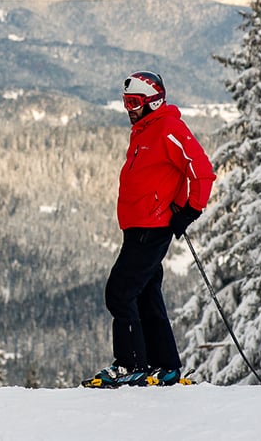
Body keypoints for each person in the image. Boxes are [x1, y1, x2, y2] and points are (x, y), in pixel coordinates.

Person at [83, 71, 216, 388]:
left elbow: (201, 170)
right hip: (139, 227)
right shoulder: (145, 130)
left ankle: (130, 365)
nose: (129, 108)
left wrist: (191, 210)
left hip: (152, 227)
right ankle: (165, 365)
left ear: (153, 102)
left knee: (120, 293)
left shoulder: (169, 128)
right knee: (145, 295)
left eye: (135, 102)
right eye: (126, 101)